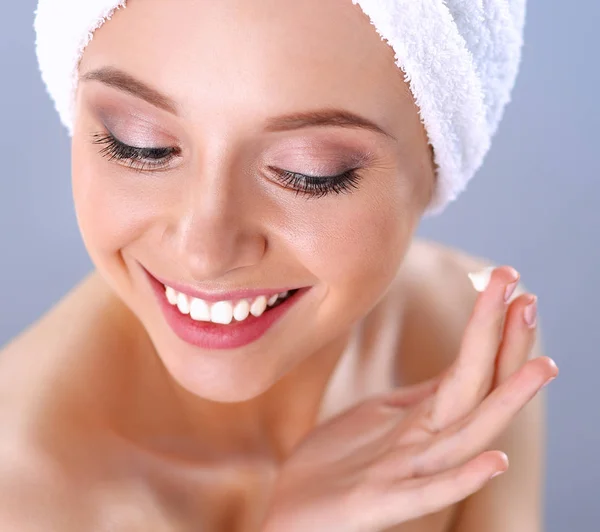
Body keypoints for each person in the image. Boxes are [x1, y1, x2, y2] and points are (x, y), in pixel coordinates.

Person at [0, 0, 558, 530]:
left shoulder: (465, 345)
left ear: (436, 164)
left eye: (310, 172)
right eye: (140, 146)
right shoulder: (22, 496)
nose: (205, 252)